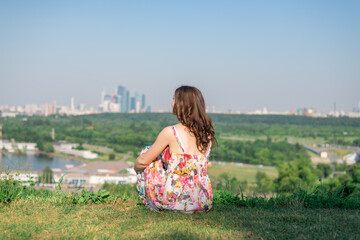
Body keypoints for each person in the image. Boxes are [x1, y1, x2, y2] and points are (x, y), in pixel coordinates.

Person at [134, 85, 215, 213]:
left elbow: (143, 162)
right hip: (203, 201)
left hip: (175, 201)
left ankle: (153, 200)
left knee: (147, 151)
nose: (171, 103)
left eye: (174, 99)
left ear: (183, 104)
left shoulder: (171, 132)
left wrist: (136, 166)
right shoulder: (207, 134)